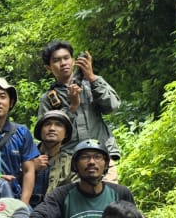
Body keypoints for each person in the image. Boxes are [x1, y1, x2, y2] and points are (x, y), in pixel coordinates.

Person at [36, 41, 121, 181]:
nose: (63, 63)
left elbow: (112, 106)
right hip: (68, 162)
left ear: (73, 60)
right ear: (48, 68)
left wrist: (92, 78)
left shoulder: (92, 84)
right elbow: (47, 137)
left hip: (100, 155)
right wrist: (72, 107)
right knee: (72, 201)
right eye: (56, 60)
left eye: (66, 58)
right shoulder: (48, 99)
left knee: (108, 198)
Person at [0, 76, 40, 201]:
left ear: (10, 102)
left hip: (13, 198)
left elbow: (29, 171)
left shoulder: (21, 132)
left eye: (2, 96)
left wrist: (23, 205)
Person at [30, 109, 74, 205]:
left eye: (58, 125)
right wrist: (30, 168)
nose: (52, 128)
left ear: (66, 133)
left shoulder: (71, 164)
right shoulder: (25, 155)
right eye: (47, 124)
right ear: (40, 130)